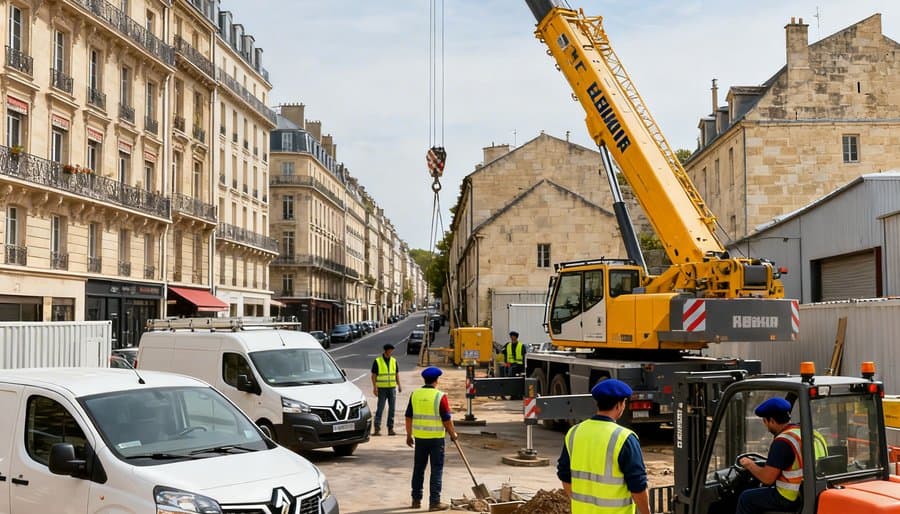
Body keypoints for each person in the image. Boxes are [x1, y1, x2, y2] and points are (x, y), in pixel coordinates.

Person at [557, 379, 651, 514]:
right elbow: (638, 485)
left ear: (598, 403)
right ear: (619, 405)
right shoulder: (624, 438)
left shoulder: (574, 432)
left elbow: (564, 474)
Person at [735, 397, 827, 514]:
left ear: (772, 420)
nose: (766, 426)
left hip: (789, 497)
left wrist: (749, 464)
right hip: (814, 491)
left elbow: (767, 479)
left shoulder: (783, 441)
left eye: (765, 421)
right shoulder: (813, 433)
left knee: (746, 498)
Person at [405, 366, 458, 511]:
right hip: (436, 440)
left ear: (424, 379)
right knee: (436, 470)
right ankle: (434, 502)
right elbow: (446, 419)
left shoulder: (415, 394)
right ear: (436, 380)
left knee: (418, 469)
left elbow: (408, 417)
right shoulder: (440, 396)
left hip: (420, 439)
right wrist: (453, 434)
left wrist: (409, 435)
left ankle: (416, 500)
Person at [371, 343, 401, 436]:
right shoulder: (378, 361)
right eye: (390, 350)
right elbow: (373, 375)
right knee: (380, 408)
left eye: (392, 350)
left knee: (392, 409)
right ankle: (377, 429)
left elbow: (396, 374)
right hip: (382, 389)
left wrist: (399, 385)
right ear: (386, 350)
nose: (391, 352)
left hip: (392, 388)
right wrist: (375, 387)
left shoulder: (394, 361)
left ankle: (390, 429)